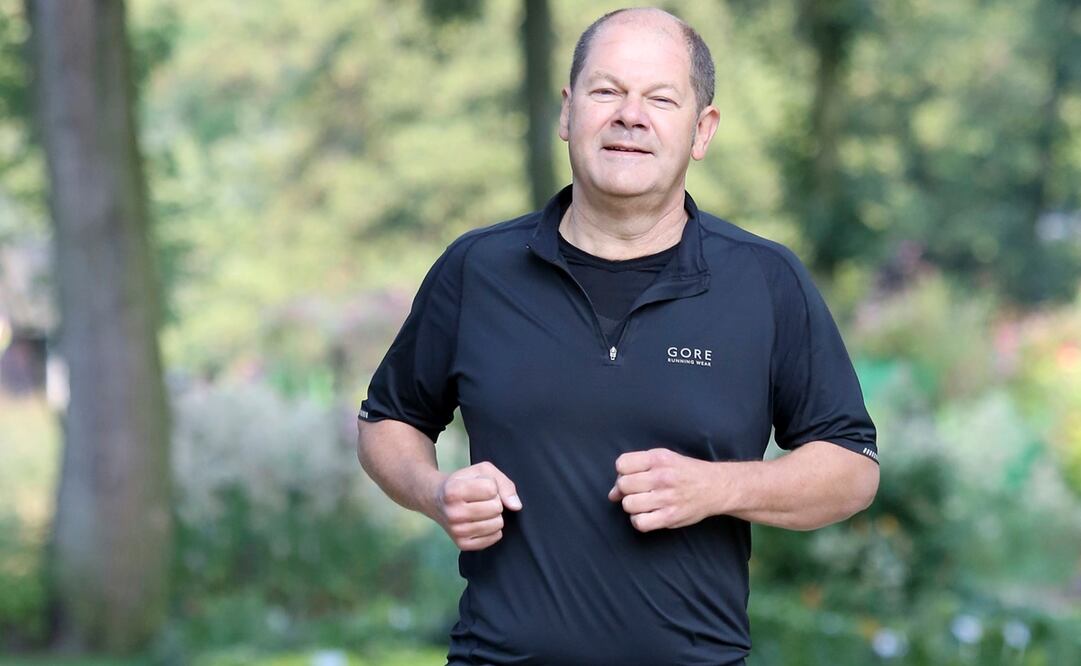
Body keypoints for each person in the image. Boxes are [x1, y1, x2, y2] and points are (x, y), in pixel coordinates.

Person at [356, 7, 879, 665]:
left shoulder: (764, 281)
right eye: (606, 91)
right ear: (566, 112)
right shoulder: (476, 269)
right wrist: (436, 494)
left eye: (660, 99)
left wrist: (717, 488)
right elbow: (388, 420)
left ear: (702, 129)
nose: (630, 115)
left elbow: (851, 468)